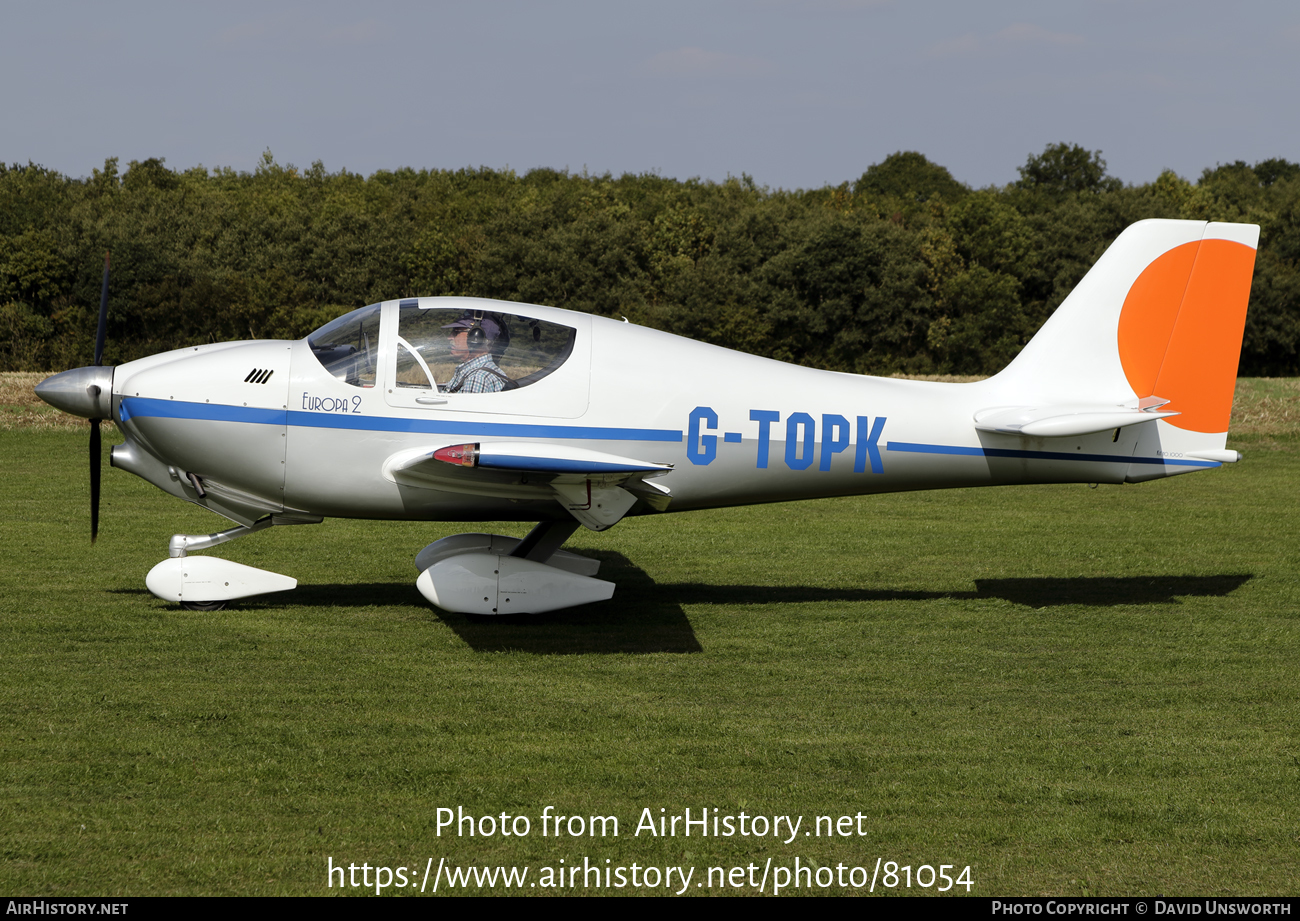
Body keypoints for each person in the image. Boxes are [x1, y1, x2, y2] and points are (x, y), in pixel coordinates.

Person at [441, 312, 511, 393]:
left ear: (476, 338)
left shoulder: (477, 378)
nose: (449, 337)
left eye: (456, 332)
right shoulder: (476, 373)